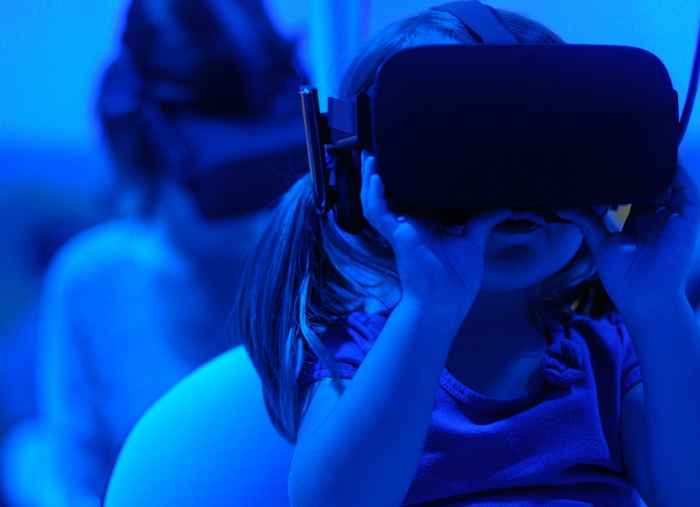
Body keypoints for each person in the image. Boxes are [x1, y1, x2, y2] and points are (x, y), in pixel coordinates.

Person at [106, 3, 700, 507]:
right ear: (359, 183)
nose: (514, 197)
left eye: (550, 158)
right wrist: (429, 310)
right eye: (464, 167)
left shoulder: (609, 354)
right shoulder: (355, 354)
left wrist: (658, 305)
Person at [13, 1, 306, 506]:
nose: (253, 207)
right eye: (227, 174)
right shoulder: (91, 281)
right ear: (146, 152)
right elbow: (74, 480)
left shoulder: (314, 272)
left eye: (271, 164)